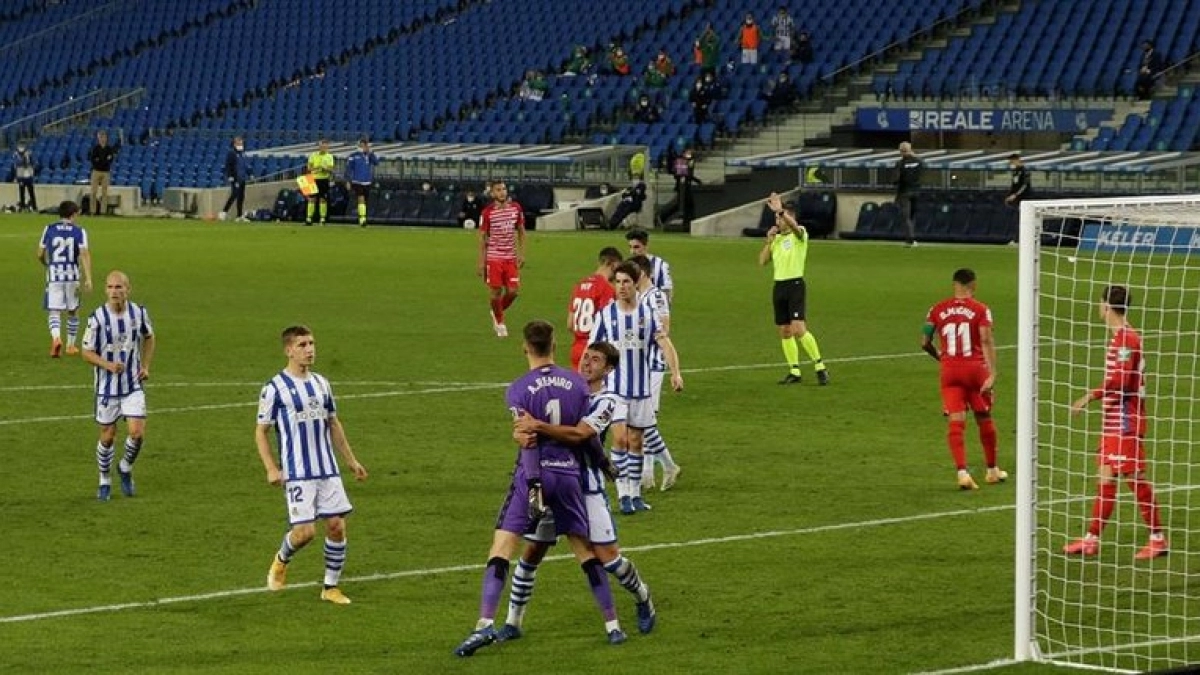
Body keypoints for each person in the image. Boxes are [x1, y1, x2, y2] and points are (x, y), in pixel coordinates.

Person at [453, 320, 626, 657]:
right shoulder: (578, 385)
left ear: (524, 346)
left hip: (535, 475)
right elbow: (584, 435)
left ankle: (485, 624)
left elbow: (528, 439)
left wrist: (532, 486)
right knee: (584, 550)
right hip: (569, 477)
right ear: (554, 345)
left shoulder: (518, 388)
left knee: (503, 546)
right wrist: (605, 464)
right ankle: (613, 626)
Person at [496, 342, 656, 641]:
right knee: (532, 552)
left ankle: (643, 598)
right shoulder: (567, 388)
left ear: (608, 369)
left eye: (595, 360)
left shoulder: (609, 400)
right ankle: (512, 622)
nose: (587, 363)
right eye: (586, 357)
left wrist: (537, 426)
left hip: (587, 487)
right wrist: (519, 431)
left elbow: (581, 434)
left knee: (609, 559)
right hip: (553, 479)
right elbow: (525, 425)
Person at [257, 325, 369, 604]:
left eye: (312, 344)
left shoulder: (322, 383)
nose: (310, 350)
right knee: (305, 533)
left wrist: (351, 461)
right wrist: (271, 468)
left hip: (327, 469)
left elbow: (333, 423)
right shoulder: (274, 389)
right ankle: (281, 560)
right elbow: (261, 431)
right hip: (297, 472)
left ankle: (330, 587)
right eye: (303, 345)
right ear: (289, 350)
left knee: (337, 526)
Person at [1064, 286, 1168, 560]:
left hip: (1125, 419)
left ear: (1106, 307)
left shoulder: (1126, 340)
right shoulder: (1122, 337)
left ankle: (1157, 538)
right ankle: (1091, 539)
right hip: (1115, 417)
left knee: (1134, 478)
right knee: (1105, 475)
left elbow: (1121, 381)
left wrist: (1090, 395)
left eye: (1100, 304)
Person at [589, 262, 683, 514]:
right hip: (614, 389)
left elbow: (665, 344)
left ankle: (635, 493)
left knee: (636, 443)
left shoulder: (647, 314)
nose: (621, 287)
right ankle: (623, 496)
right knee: (619, 439)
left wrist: (675, 373)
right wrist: (587, 381)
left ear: (635, 283)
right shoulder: (606, 315)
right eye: (617, 282)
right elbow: (592, 350)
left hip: (641, 389)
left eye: (626, 282)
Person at [920, 268, 1005, 490]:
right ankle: (992, 470)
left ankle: (962, 473)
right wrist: (993, 373)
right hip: (974, 369)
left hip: (950, 370)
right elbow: (986, 340)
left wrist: (940, 357)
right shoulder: (981, 309)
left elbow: (924, 341)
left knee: (956, 420)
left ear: (954, 285)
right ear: (973, 286)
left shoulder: (936, 309)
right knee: (984, 416)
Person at [81, 270, 155, 501]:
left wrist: (145, 365)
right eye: (110, 287)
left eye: (119, 287)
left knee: (137, 432)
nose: (114, 291)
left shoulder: (139, 313)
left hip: (132, 383)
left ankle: (124, 467)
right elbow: (85, 352)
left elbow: (150, 337)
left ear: (127, 290)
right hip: (106, 388)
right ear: (106, 290)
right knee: (108, 436)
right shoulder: (97, 318)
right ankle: (104, 479)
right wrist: (108, 365)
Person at [759, 193, 829, 386]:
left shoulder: (801, 235)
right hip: (778, 286)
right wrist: (769, 240)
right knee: (784, 331)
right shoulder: (778, 240)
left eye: (779, 218)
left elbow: (794, 228)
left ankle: (820, 366)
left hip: (795, 285)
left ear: (789, 217)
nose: (777, 221)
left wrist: (780, 211)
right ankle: (794, 370)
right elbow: (762, 262)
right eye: (775, 219)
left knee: (799, 329)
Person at [631, 254, 683, 492]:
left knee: (645, 420)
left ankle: (663, 467)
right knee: (642, 420)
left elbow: (665, 328)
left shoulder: (656, 296)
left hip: (652, 365)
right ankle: (649, 474)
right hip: (638, 366)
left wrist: (675, 372)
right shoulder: (638, 296)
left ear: (642, 273)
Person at [37, 200, 93, 357]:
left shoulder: (49, 229)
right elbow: (84, 254)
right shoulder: (79, 232)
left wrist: (46, 264)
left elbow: (40, 254)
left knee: (54, 311)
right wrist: (88, 278)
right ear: (74, 214)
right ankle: (70, 345)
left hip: (54, 275)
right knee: (73, 310)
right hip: (72, 276)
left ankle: (56, 338)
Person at [477, 180, 526, 337]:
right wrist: (481, 261)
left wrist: (521, 253)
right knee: (495, 292)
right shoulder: (487, 213)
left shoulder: (516, 209)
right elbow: (483, 237)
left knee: (513, 292)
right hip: (494, 257)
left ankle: (496, 311)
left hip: (510, 257)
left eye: (504, 189)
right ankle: (500, 321)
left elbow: (521, 231)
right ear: (492, 194)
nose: (502, 192)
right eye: (498, 190)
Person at [567, 247, 621, 370]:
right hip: (595, 351)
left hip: (576, 349)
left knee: (579, 388)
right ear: (612, 265)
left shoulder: (579, 285)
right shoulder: (607, 288)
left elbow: (570, 324)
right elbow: (607, 322)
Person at [625, 228, 673, 302]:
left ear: (646, 246)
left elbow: (666, 292)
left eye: (636, 247)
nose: (632, 251)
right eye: (630, 247)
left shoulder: (660, 265)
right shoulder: (626, 266)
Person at [344, 138, 379, 227]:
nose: (364, 147)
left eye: (365, 145)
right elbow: (348, 169)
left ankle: (362, 216)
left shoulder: (369, 155)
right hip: (357, 181)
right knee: (361, 198)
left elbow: (376, 163)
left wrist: (371, 153)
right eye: (362, 145)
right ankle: (362, 219)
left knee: (365, 201)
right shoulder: (353, 156)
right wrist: (348, 181)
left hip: (367, 181)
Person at [894, 141, 923, 247]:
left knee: (906, 217)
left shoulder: (900, 163)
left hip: (904, 192)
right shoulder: (919, 161)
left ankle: (910, 239)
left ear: (900, 151)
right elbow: (923, 172)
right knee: (912, 216)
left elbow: (895, 179)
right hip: (916, 192)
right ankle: (911, 237)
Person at [305, 138, 335, 226]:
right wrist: (318, 168)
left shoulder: (329, 156)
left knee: (323, 199)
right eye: (322, 146)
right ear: (319, 146)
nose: (323, 148)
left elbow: (331, 169)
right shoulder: (313, 155)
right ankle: (309, 218)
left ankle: (322, 218)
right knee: (311, 199)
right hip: (313, 179)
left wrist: (325, 169)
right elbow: (309, 168)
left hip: (324, 179)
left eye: (325, 146)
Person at [219, 136, 249, 222]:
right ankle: (224, 212)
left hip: (242, 178)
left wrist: (250, 173)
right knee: (234, 194)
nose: (241, 145)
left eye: (241, 143)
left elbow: (245, 165)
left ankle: (239, 215)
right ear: (235, 144)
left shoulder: (243, 153)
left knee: (241, 197)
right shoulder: (231, 153)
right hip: (236, 178)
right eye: (239, 143)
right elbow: (228, 166)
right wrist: (230, 176)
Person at [88, 130, 116, 216]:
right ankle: (92, 211)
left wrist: (101, 160)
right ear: (98, 138)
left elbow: (110, 159)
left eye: (104, 137)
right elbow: (93, 160)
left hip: (106, 172)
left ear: (106, 138)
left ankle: (103, 211)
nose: (102, 139)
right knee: (93, 192)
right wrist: (103, 160)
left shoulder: (109, 149)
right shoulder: (95, 148)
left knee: (104, 192)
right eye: (101, 137)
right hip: (96, 171)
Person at [13, 141, 38, 212]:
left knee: (31, 192)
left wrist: (27, 159)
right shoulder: (16, 155)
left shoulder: (29, 154)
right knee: (21, 193)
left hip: (29, 176)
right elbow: (16, 165)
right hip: (21, 176)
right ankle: (22, 207)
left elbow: (32, 163)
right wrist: (17, 178)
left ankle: (34, 207)